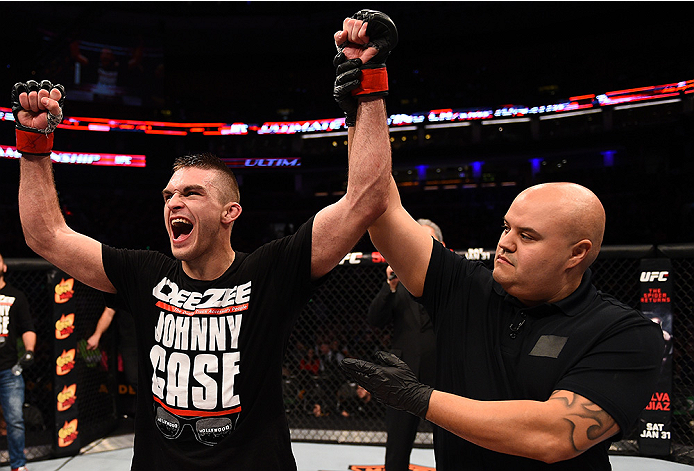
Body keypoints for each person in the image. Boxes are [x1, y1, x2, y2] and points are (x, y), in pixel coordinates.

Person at [11, 9, 397, 471]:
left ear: (230, 213)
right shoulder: (145, 274)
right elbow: (44, 235)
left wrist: (368, 84)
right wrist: (33, 143)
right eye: (169, 194)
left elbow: (366, 199)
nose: (174, 202)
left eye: (192, 193)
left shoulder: (269, 271)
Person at [338, 118, 666, 467]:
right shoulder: (466, 286)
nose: (504, 243)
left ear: (577, 253)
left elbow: (553, 435)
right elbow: (380, 207)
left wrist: (421, 399)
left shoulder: (625, 333)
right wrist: (364, 101)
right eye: (506, 227)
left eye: (527, 236)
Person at [367, 219, 442, 471]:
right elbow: (375, 320)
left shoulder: (451, 284)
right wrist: (389, 286)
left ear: (440, 245)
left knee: (450, 442)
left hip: (441, 372)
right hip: (403, 375)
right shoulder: (397, 282)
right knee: (397, 444)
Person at [0, 252, 36, 471]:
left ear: (4, 267)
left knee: (14, 421)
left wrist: (30, 350)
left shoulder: (16, 296)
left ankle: (18, 466)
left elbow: (27, 327)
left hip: (8, 369)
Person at [86, 306, 138, 395]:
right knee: (133, 377)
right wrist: (97, 334)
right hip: (130, 342)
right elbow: (109, 312)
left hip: (152, 342)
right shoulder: (123, 293)